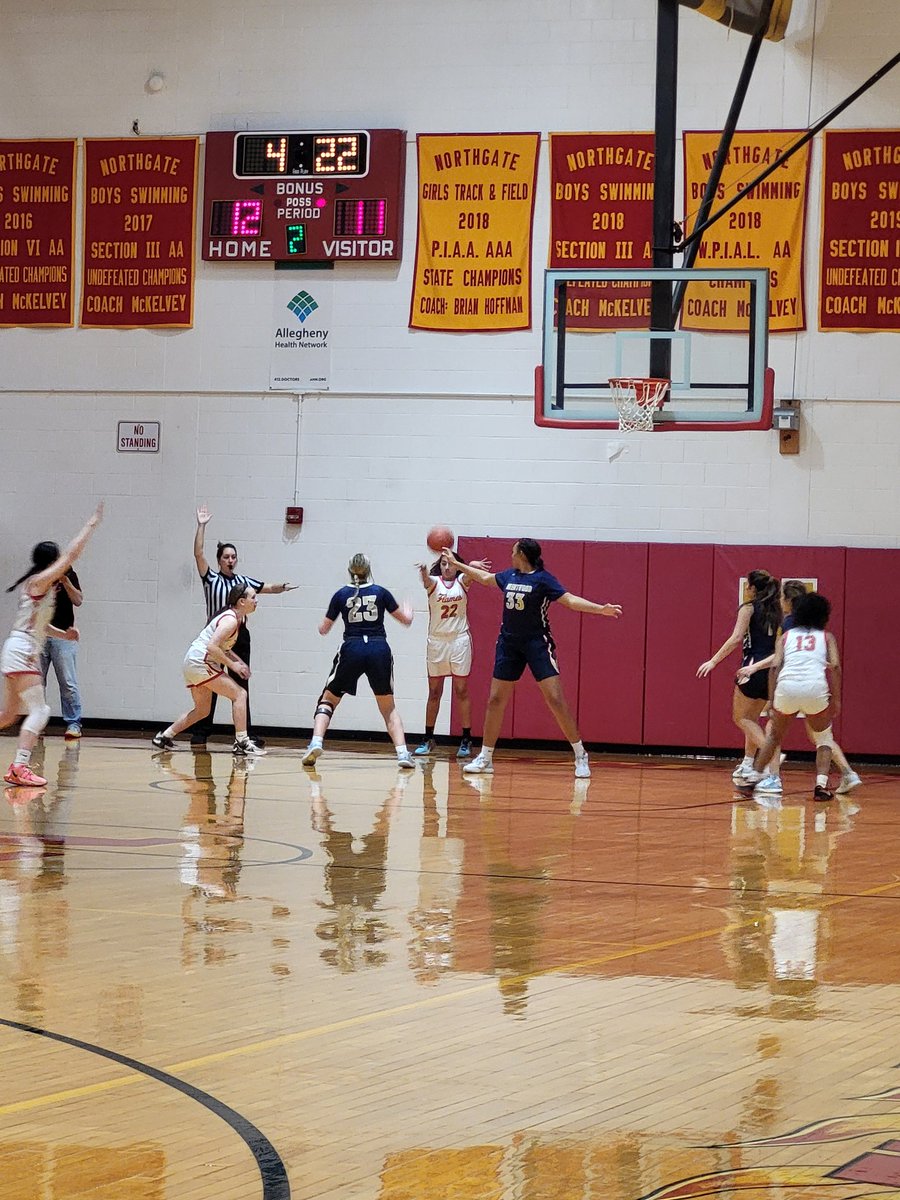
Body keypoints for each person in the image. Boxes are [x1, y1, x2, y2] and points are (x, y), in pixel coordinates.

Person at [446, 538, 623, 779]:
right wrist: (458, 565)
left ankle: (580, 754)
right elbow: (486, 579)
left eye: (513, 551)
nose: (510, 554)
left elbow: (569, 600)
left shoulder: (542, 579)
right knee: (495, 699)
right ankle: (486, 757)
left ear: (522, 554)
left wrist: (600, 608)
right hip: (509, 644)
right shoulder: (509, 575)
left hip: (536, 643)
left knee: (555, 699)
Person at [0, 503, 103, 787]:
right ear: (51, 562)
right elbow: (72, 554)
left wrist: (64, 635)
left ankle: (19, 765)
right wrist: (91, 525)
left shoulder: (40, 586)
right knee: (41, 711)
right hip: (21, 649)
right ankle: (19, 766)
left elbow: (40, 627)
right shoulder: (40, 581)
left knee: (9, 715)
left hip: (18, 647)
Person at [736, 579, 861, 796]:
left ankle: (752, 779)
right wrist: (837, 699)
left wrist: (773, 699)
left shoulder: (786, 635)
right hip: (815, 689)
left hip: (787, 688)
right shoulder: (827, 637)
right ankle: (821, 786)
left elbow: (775, 667)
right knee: (823, 738)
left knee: (774, 736)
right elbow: (836, 667)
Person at [190, 506, 296, 747]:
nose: (230, 560)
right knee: (211, 680)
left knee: (240, 683)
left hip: (240, 637)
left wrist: (283, 586)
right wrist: (201, 525)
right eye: (226, 557)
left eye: (233, 557)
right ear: (219, 560)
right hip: (217, 635)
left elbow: (266, 587)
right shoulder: (211, 579)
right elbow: (198, 554)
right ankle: (202, 731)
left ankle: (244, 734)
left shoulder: (243, 581)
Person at [301, 553, 416, 769]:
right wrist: (409, 611)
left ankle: (315, 743)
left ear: (349, 571)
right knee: (388, 707)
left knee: (328, 700)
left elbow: (323, 630)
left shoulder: (341, 594)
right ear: (369, 570)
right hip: (378, 647)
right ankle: (402, 753)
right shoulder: (380, 592)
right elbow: (406, 620)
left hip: (352, 647)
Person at [152, 582, 265, 756]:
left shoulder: (235, 618)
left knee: (202, 710)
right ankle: (242, 742)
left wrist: (240, 662)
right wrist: (233, 665)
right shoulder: (230, 620)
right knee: (240, 694)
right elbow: (213, 647)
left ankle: (164, 737)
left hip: (192, 662)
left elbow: (224, 648)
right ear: (242, 601)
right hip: (201, 662)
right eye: (253, 597)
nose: (256, 601)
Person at [697, 568, 782, 783]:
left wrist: (714, 660)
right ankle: (747, 763)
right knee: (752, 720)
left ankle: (768, 754)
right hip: (770, 670)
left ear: (753, 588)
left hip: (752, 667)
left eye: (748, 584)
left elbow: (736, 639)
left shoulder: (749, 608)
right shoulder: (776, 609)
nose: (745, 587)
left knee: (740, 718)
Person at [414, 551, 489, 759]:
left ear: (457, 566)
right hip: (437, 642)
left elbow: (472, 574)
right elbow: (427, 580)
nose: (447, 568)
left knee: (461, 690)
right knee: (434, 692)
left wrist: (470, 564)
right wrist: (423, 571)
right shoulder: (433, 583)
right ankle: (428, 738)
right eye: (444, 564)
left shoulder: (462, 582)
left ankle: (466, 738)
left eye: (451, 564)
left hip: (459, 641)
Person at [40, 567, 84, 741]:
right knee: (37, 681)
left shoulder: (69, 574)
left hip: (63, 635)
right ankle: (37, 723)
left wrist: (65, 581)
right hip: (40, 635)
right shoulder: (40, 576)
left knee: (67, 681)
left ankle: (73, 723)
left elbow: (78, 600)